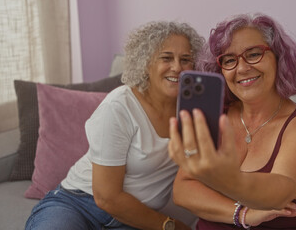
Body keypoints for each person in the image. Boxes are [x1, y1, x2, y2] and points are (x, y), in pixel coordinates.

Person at [25, 21, 205, 230]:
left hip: (134, 217)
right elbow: (106, 198)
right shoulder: (120, 105)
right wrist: (170, 225)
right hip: (79, 203)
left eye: (185, 59)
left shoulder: (194, 111)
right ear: (146, 63)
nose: (177, 67)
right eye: (166, 58)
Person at [168, 13, 296, 229]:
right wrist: (243, 214)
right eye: (229, 60)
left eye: (254, 54)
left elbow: (281, 190)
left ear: (279, 58)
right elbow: (183, 190)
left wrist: (221, 180)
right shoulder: (218, 115)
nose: (241, 68)